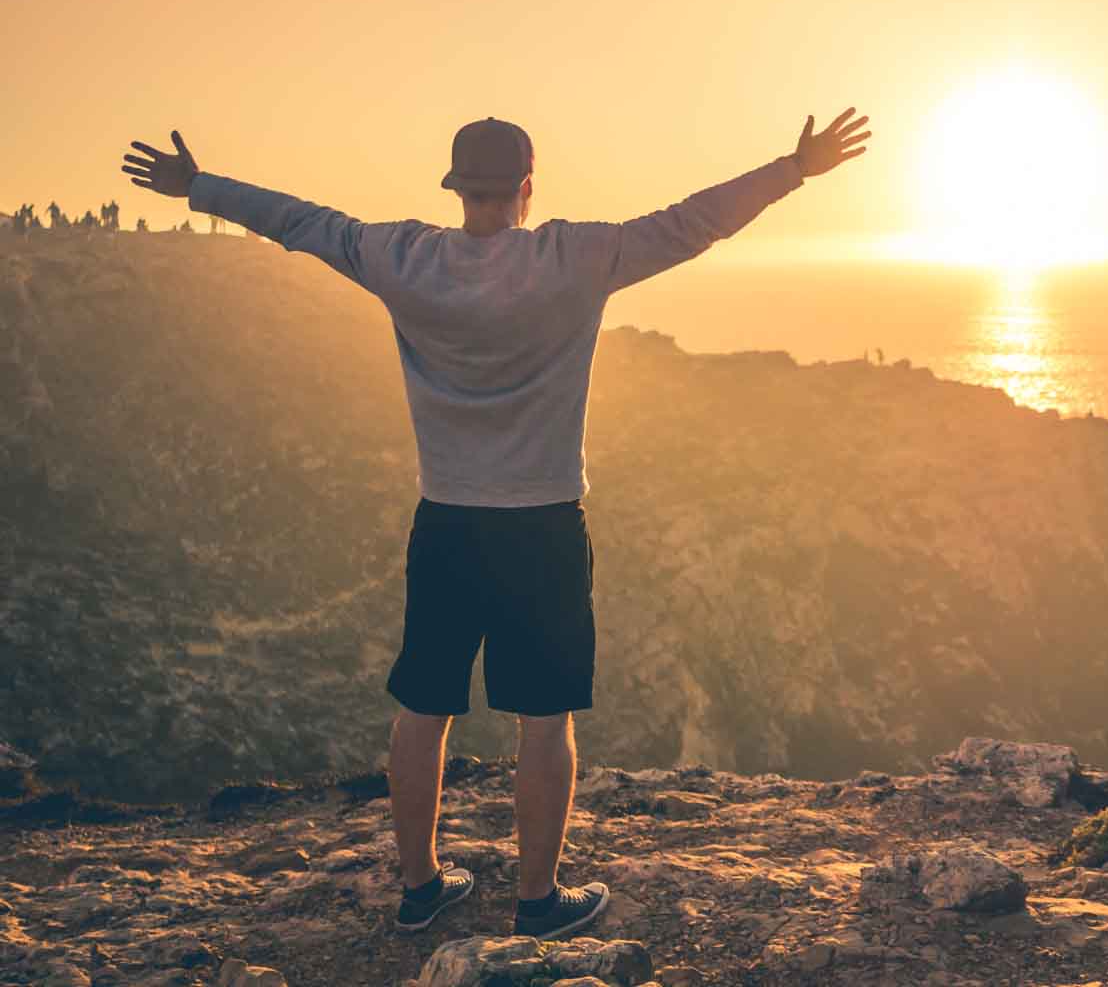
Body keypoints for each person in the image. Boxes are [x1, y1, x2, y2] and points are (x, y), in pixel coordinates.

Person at [119, 110, 871, 939]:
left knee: (424, 707)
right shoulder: (575, 257)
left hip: (446, 521)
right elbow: (692, 223)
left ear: (455, 188)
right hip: (543, 525)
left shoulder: (403, 257)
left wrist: (199, 187)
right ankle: (539, 902)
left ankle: (419, 889)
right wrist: (792, 169)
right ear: (526, 187)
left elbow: (302, 223)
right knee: (544, 720)